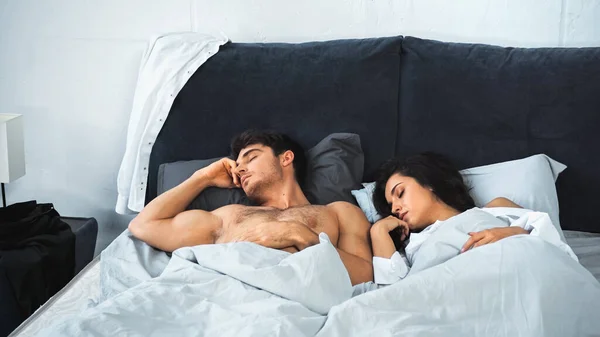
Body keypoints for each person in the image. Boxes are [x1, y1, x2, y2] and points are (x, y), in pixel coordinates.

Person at [129, 130, 373, 285]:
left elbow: (364, 276)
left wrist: (301, 237)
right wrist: (203, 177)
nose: (240, 168)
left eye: (252, 157)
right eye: (238, 164)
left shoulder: (339, 212)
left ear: (286, 158)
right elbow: (144, 225)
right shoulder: (229, 216)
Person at [369, 152, 540, 285]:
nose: (394, 208)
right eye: (391, 205)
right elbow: (392, 298)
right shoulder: (412, 246)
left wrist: (517, 233)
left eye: (400, 193)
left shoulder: (494, 209)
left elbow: (550, 244)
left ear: (428, 182)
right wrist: (378, 232)